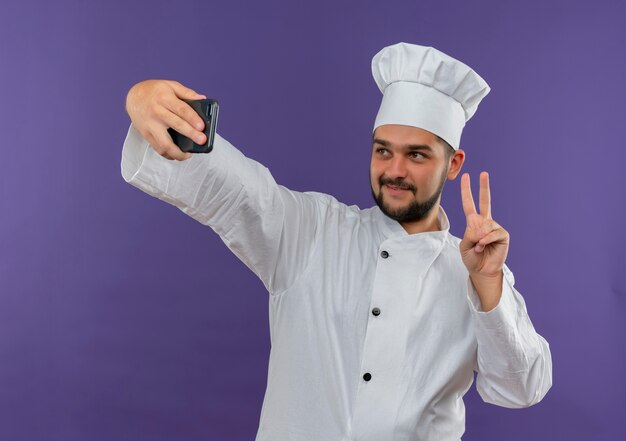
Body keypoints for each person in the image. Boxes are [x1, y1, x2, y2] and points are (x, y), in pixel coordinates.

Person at [120, 42, 552, 441]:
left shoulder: (478, 273)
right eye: (383, 150)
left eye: (416, 155)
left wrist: (490, 285)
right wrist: (145, 99)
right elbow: (238, 192)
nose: (394, 170)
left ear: (453, 163)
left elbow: (520, 388)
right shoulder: (312, 231)